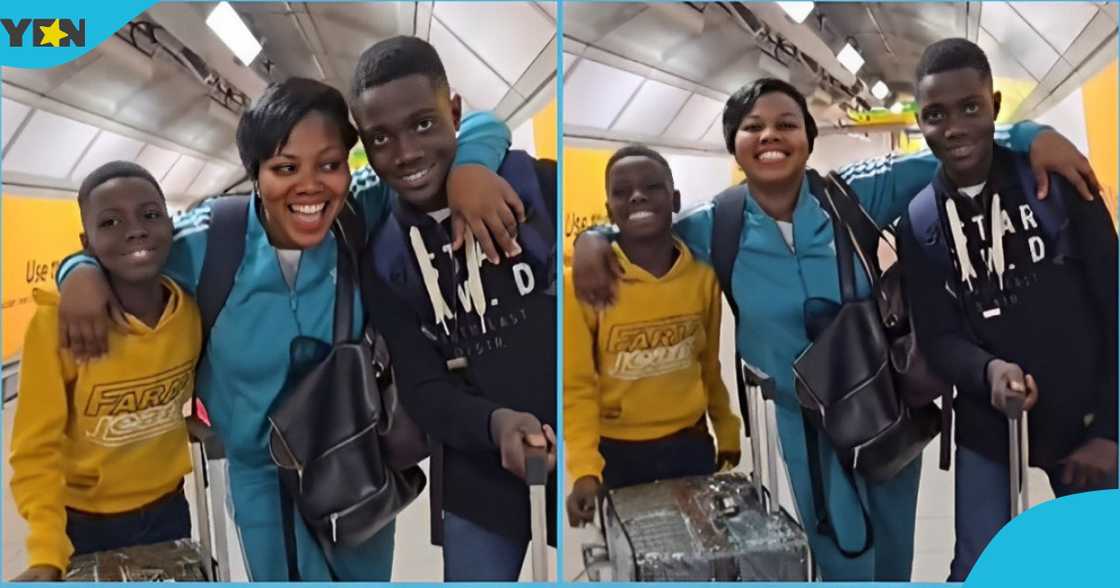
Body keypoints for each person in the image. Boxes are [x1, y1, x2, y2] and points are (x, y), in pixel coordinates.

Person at [571, 77, 1100, 580]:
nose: (770, 136)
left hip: (885, 407)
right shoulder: (716, 226)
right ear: (734, 144)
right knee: (844, 557)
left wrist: (1033, 135)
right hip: (804, 427)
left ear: (808, 137)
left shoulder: (855, 195)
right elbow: (644, 225)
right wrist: (592, 240)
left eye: (786, 123)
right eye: (753, 126)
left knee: (894, 553)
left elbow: (950, 145)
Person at [53, 77, 520, 580]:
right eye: (285, 168)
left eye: (329, 164)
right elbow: (125, 248)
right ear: (254, 174)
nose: (311, 186)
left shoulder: (360, 210)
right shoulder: (210, 242)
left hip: (355, 462)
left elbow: (482, 124)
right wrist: (76, 270)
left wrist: (470, 169)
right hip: (263, 483)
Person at [896, 38, 1118, 581]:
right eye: (935, 115)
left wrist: (1111, 431)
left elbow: (1115, 305)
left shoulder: (1058, 186)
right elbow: (940, 335)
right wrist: (988, 372)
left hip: (1086, 416)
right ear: (919, 122)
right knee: (979, 567)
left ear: (994, 104)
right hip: (986, 423)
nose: (954, 128)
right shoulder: (920, 222)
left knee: (1097, 559)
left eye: (970, 108)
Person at [348, 36, 557, 581]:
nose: (406, 152)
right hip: (475, 461)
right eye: (380, 138)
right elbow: (424, 387)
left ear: (455, 112)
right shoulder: (386, 256)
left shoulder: (538, 187)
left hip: (581, 442)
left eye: (422, 124)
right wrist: (496, 424)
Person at [10, 162, 199, 581]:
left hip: (169, 509)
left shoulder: (191, 308)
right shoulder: (55, 325)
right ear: (87, 243)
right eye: (110, 222)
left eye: (150, 215)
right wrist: (45, 551)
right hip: (84, 522)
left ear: (172, 224)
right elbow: (35, 450)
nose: (135, 230)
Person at [564, 144, 740, 527]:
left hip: (690, 446)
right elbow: (576, 386)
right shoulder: (583, 286)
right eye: (621, 191)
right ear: (609, 209)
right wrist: (584, 469)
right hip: (619, 454)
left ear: (675, 200)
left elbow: (708, 364)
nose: (637, 195)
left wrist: (725, 427)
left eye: (651, 187)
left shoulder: (702, 278)